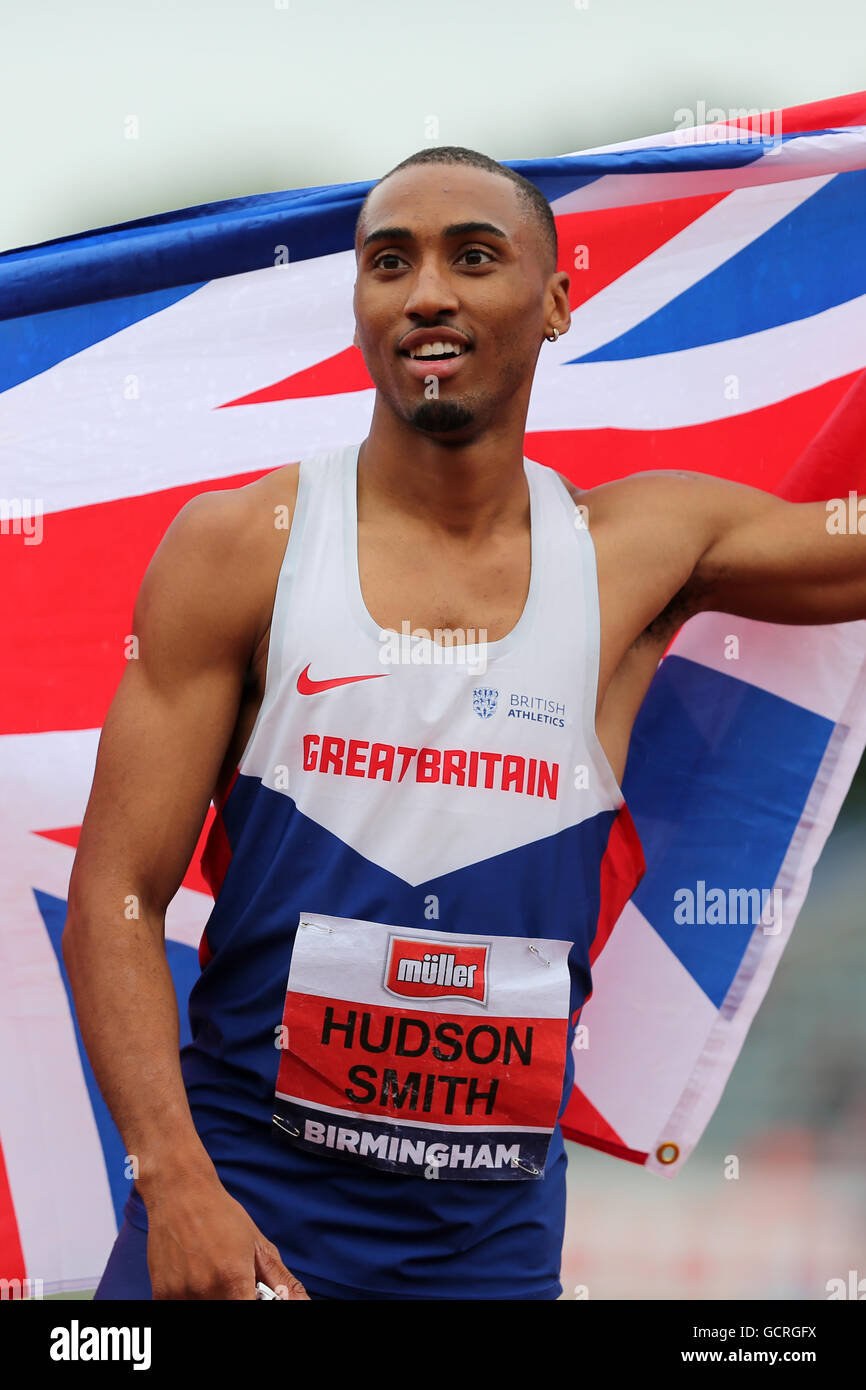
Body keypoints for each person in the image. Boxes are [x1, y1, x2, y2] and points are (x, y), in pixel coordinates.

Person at [64, 146, 866, 1301]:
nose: (424, 291)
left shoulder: (633, 552)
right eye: (388, 262)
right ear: (360, 309)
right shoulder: (245, 547)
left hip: (481, 1259)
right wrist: (177, 1185)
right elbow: (116, 894)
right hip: (240, 1221)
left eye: (471, 257)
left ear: (553, 303)